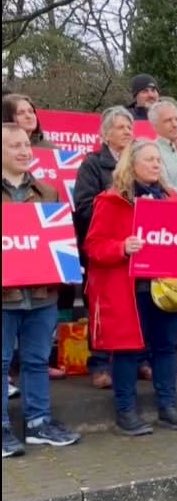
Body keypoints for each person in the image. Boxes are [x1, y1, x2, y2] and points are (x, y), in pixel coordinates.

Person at [84, 139, 177, 435]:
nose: (156, 164)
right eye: (149, 160)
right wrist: (122, 247)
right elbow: (93, 246)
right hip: (129, 289)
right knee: (127, 350)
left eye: (158, 160)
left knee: (166, 348)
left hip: (165, 287)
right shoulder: (111, 201)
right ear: (131, 165)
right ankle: (126, 412)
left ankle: (168, 407)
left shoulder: (170, 199)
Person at [2, 123, 81, 458]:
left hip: (41, 294)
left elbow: (62, 240)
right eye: (14, 146)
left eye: (26, 144)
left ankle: (38, 423)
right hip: (4, 297)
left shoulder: (49, 192)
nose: (24, 151)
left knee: (36, 360)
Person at [74, 106, 136, 388]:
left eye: (130, 127)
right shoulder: (92, 165)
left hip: (136, 248)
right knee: (101, 307)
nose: (127, 131)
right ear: (105, 134)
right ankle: (100, 363)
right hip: (104, 245)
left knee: (135, 307)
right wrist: (113, 208)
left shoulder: (139, 162)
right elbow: (84, 206)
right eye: (121, 127)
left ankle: (140, 360)